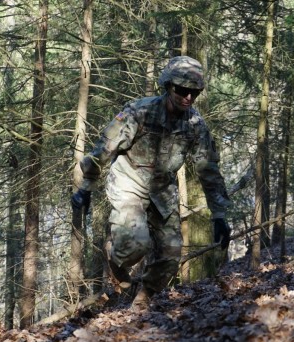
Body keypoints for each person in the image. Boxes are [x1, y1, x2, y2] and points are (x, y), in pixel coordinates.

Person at [71, 56, 232, 309]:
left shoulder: (195, 125)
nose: (188, 97)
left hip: (162, 188)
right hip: (129, 180)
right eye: (181, 90)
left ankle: (142, 302)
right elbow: (104, 149)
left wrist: (219, 215)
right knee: (136, 244)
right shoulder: (139, 112)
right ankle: (116, 254)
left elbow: (208, 170)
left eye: (194, 92)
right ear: (168, 87)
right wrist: (86, 186)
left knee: (171, 254)